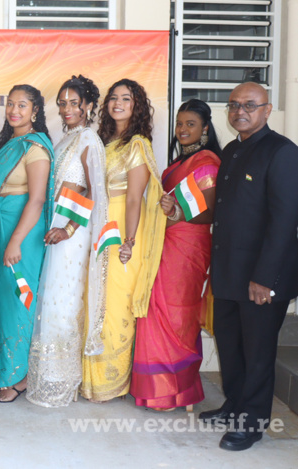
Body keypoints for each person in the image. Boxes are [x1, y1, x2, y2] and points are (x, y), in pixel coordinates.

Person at [200, 82, 298, 451]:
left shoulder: (283, 153)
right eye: (234, 105)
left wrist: (265, 279)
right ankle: (235, 405)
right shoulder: (233, 150)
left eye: (250, 105)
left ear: (267, 110)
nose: (240, 111)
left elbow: (285, 221)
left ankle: (252, 424)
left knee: (257, 353)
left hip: (260, 277)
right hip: (228, 273)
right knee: (231, 345)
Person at [131, 99, 221, 411]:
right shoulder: (175, 164)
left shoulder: (207, 161)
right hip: (162, 244)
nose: (183, 129)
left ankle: (177, 391)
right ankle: (155, 389)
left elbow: (208, 213)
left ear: (205, 128)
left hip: (187, 248)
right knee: (155, 310)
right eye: (180, 124)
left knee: (177, 314)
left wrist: (178, 212)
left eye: (190, 124)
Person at [0, 84, 54, 403]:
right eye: (10, 104)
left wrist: (16, 240)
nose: (14, 110)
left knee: (18, 301)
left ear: (35, 111)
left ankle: (19, 377)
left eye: (22, 105)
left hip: (21, 234)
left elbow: (38, 199)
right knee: (1, 302)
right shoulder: (10, 144)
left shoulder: (35, 148)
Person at [80, 78, 165, 403]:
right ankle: (89, 381)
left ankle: (110, 382)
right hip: (96, 225)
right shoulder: (103, 141)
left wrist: (129, 240)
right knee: (94, 302)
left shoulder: (137, 144)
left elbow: (134, 198)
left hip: (121, 231)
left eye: (126, 99)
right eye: (113, 98)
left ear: (137, 105)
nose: (117, 103)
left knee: (115, 306)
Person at [26, 76, 106, 408]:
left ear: (88, 105)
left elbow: (95, 193)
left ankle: (59, 383)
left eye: (74, 103)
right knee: (49, 302)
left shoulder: (89, 139)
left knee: (63, 304)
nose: (67, 108)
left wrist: (69, 229)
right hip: (53, 227)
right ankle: (44, 377)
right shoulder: (63, 139)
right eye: (62, 103)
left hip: (72, 232)